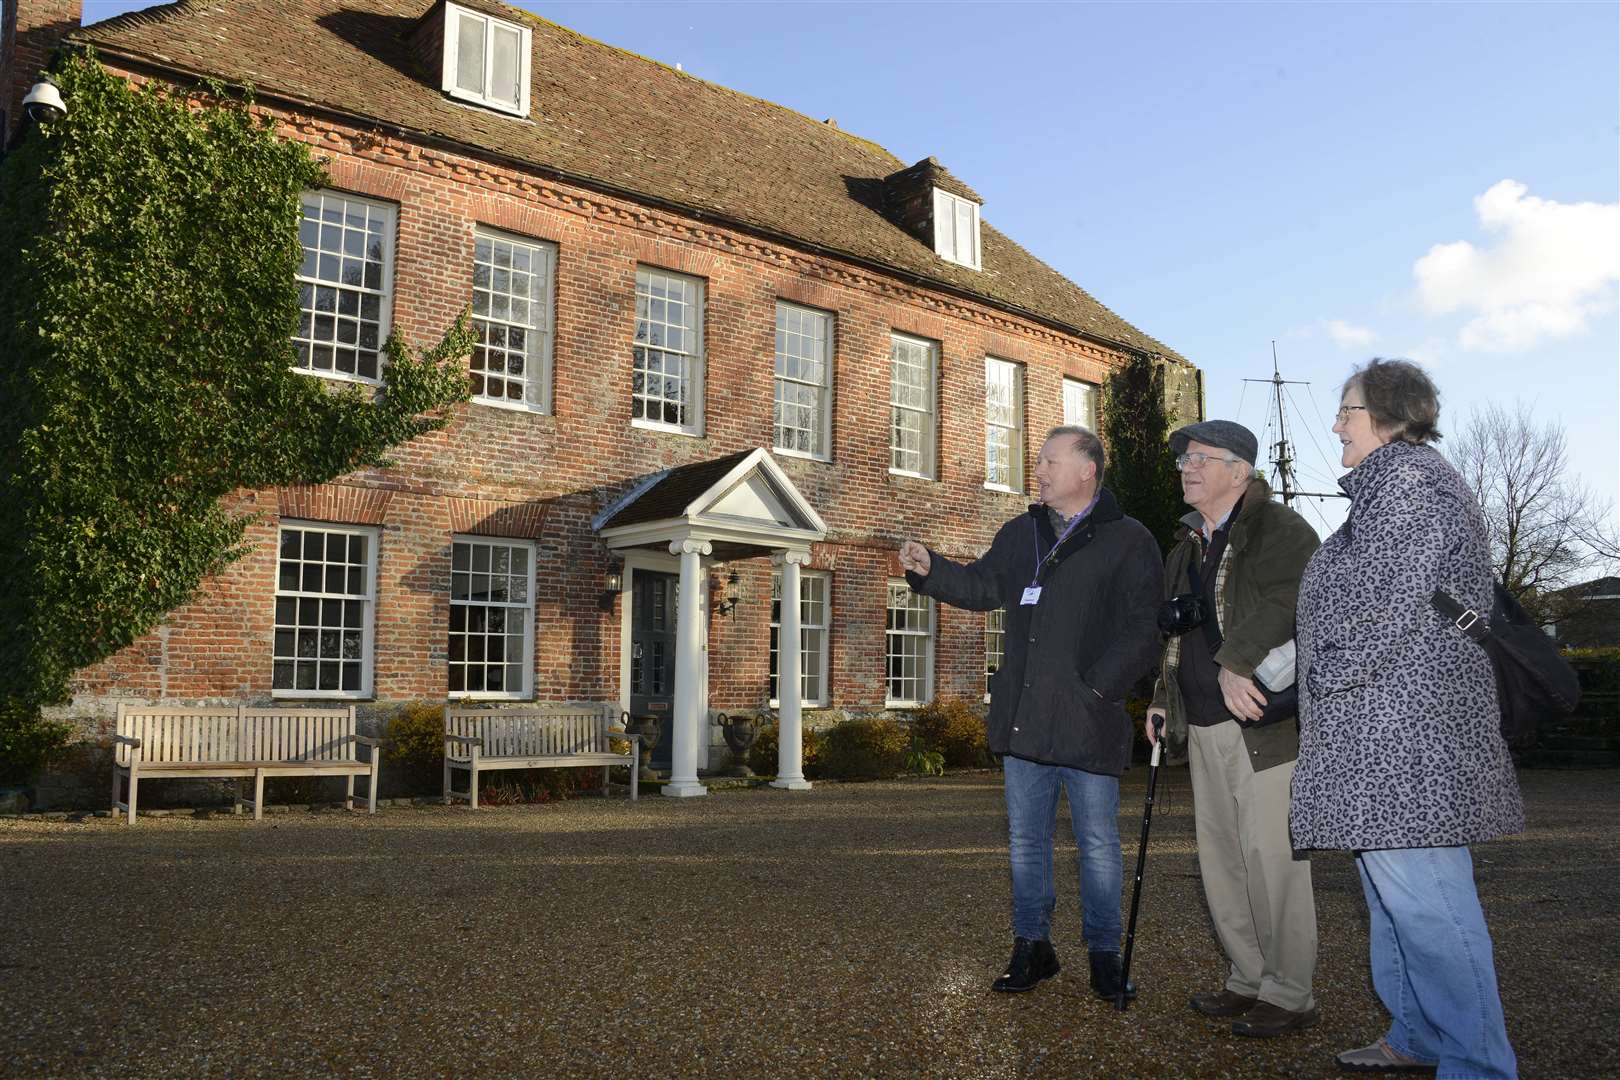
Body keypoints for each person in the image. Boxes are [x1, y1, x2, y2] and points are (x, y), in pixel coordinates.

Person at [1291, 359, 1523, 1077]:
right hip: (1384, 735)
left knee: (1431, 912)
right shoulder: (1388, 490)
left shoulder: (1414, 487)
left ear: (1390, 417)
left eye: (1348, 410)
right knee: (1394, 903)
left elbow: (1387, 608)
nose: (1336, 424)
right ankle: (1418, 1036)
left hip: (1406, 739)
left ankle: (1479, 1064)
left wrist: (1321, 673)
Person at [899, 425, 1162, 1000]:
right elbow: (981, 586)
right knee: (1026, 843)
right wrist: (929, 568)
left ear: (1087, 469)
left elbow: (1145, 628)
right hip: (1023, 720)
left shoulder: (1129, 539)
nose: (1036, 469)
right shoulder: (1021, 533)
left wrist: (1096, 690)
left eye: (1049, 460)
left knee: (1097, 844)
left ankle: (1104, 954)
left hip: (1088, 722)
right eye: (1038, 460)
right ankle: (1032, 947)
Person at [1145, 420, 1322, 1038]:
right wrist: (1164, 699)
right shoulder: (1185, 547)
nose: (1186, 469)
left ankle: (1290, 991)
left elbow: (1295, 598)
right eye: (1184, 461)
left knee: (1273, 859)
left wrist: (1234, 661)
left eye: (1201, 458)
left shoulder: (1280, 529)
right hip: (1206, 729)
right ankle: (1247, 976)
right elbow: (1174, 640)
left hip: (1263, 727)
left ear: (1239, 470)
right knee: (1222, 861)